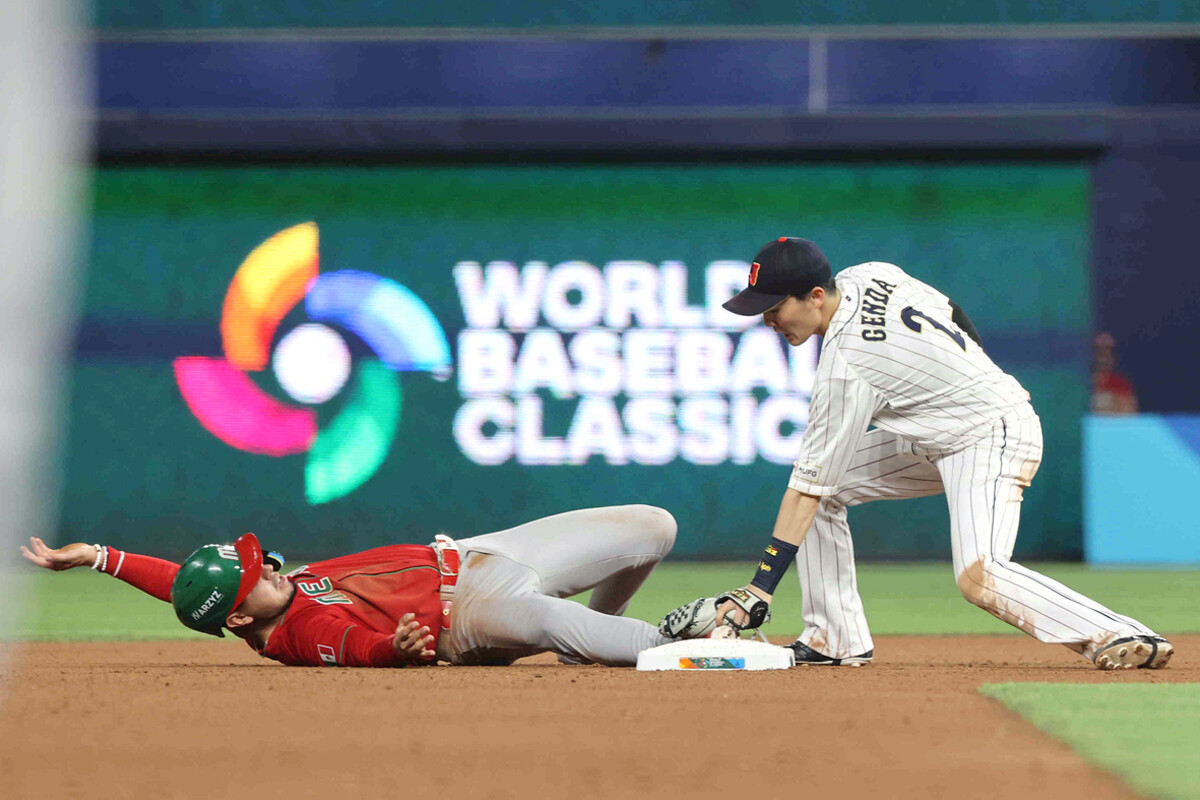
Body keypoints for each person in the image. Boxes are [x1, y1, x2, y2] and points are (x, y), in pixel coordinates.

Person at [660, 237, 1172, 671]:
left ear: (815, 297)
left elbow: (804, 489)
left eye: (775, 307)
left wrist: (759, 589)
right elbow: (952, 311)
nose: (768, 319)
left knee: (979, 574)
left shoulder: (848, 364)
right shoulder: (869, 274)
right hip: (938, 431)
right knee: (827, 489)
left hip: (990, 433)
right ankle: (833, 639)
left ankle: (1118, 633)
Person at [21, 504, 693, 667]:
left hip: (483, 552)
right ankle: (674, 644)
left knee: (652, 529)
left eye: (257, 562)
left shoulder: (256, 600)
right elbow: (351, 644)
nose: (268, 569)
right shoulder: (295, 631)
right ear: (237, 621)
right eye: (253, 578)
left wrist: (99, 556)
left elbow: (184, 584)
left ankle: (597, 647)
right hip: (472, 612)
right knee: (547, 623)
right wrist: (397, 650)